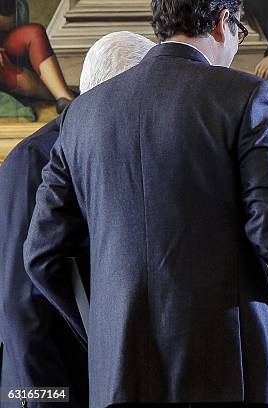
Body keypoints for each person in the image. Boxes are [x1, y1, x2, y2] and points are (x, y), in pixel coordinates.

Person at [23, 1, 268, 407]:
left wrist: (104, 331)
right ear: (224, 21)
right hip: (225, 370)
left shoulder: (82, 113)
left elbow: (41, 254)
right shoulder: (243, 95)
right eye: (239, 31)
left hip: (118, 377)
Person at [0, 31, 156, 408]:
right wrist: (45, 400)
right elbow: (19, 306)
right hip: (50, 385)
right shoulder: (31, 161)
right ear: (116, 94)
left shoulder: (121, 148)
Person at [0, 0, 75, 113]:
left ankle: (64, 97)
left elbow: (10, 19)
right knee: (6, 68)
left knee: (34, 33)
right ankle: (70, 100)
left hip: (4, 40)